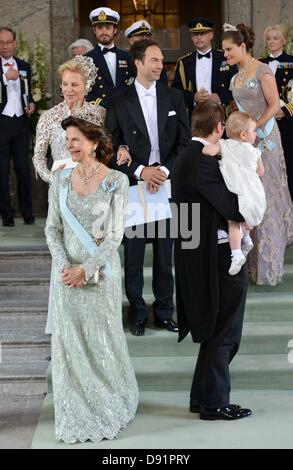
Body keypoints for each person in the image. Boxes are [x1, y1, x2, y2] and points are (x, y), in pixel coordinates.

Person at [45, 116, 138, 443]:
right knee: (70, 344)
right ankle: (74, 407)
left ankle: (110, 398)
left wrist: (86, 268)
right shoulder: (60, 181)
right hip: (66, 277)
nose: (68, 145)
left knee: (103, 340)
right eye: (67, 139)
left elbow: (114, 237)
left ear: (94, 143)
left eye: (74, 140)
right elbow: (52, 229)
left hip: (100, 277)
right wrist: (65, 267)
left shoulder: (117, 181)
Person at [172, 100, 251, 421]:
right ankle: (216, 403)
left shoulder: (186, 157)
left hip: (200, 253)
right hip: (214, 257)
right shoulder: (200, 161)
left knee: (219, 330)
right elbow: (233, 206)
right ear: (219, 128)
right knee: (225, 333)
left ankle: (202, 398)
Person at [106, 39, 190, 336]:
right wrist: (142, 171)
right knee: (134, 255)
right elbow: (111, 147)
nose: (159, 65)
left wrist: (164, 171)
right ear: (138, 63)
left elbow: (185, 141)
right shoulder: (118, 100)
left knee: (166, 255)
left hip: (166, 184)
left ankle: (165, 312)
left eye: (160, 60)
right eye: (154, 60)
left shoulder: (175, 98)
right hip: (134, 186)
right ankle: (138, 313)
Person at [32, 55, 106, 335]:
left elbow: (105, 156)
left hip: (93, 196)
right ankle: (64, 323)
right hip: (62, 198)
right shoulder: (49, 117)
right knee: (63, 254)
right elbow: (38, 159)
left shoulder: (99, 116)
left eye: (75, 84)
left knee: (92, 251)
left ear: (86, 86)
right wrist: (56, 180)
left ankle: (94, 322)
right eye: (65, 84)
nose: (69, 89)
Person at [222, 23, 293, 285]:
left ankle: (269, 266)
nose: (225, 55)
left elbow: (275, 104)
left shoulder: (262, 70)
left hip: (265, 140)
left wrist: (256, 128)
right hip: (245, 142)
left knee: (268, 196)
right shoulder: (234, 78)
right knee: (248, 196)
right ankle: (252, 266)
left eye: (229, 49)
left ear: (242, 46)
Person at [203, 111, 266, 275]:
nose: (255, 134)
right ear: (244, 134)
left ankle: (236, 253)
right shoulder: (254, 151)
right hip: (252, 193)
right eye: (253, 131)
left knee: (232, 221)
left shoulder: (225, 145)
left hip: (234, 190)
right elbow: (261, 171)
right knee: (245, 216)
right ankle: (246, 238)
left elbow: (207, 151)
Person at [0, 26, 35, 227]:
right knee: (2, 171)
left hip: (20, 122)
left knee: (23, 169)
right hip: (2, 123)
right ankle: (6, 213)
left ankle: (27, 211)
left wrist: (30, 103)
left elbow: (27, 92)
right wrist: (5, 78)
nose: (5, 46)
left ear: (14, 43)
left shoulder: (24, 66)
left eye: (8, 41)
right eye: (1, 42)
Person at [172, 18, 237, 117]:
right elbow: (175, 90)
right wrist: (193, 97)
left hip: (220, 113)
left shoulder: (225, 57)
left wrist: (219, 97)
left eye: (202, 34)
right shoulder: (184, 62)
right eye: (195, 34)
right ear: (191, 37)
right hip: (194, 114)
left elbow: (236, 86)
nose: (198, 38)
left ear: (211, 35)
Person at [261, 24, 293, 201]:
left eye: (275, 38)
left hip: (287, 123)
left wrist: (286, 111)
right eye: (269, 38)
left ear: (284, 40)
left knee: (288, 162)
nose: (271, 41)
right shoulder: (259, 63)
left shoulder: (292, 62)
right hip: (265, 123)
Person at [85, 7, 134, 108]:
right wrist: (103, 104)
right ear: (94, 30)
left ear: (115, 30)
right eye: (100, 28)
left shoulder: (127, 57)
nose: (104, 32)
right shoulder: (86, 59)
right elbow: (83, 91)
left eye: (108, 27)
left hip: (126, 112)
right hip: (100, 112)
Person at [124, 20, 168, 84]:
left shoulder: (156, 60)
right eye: (140, 37)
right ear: (130, 40)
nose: (145, 40)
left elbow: (163, 86)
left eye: (147, 37)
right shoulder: (124, 59)